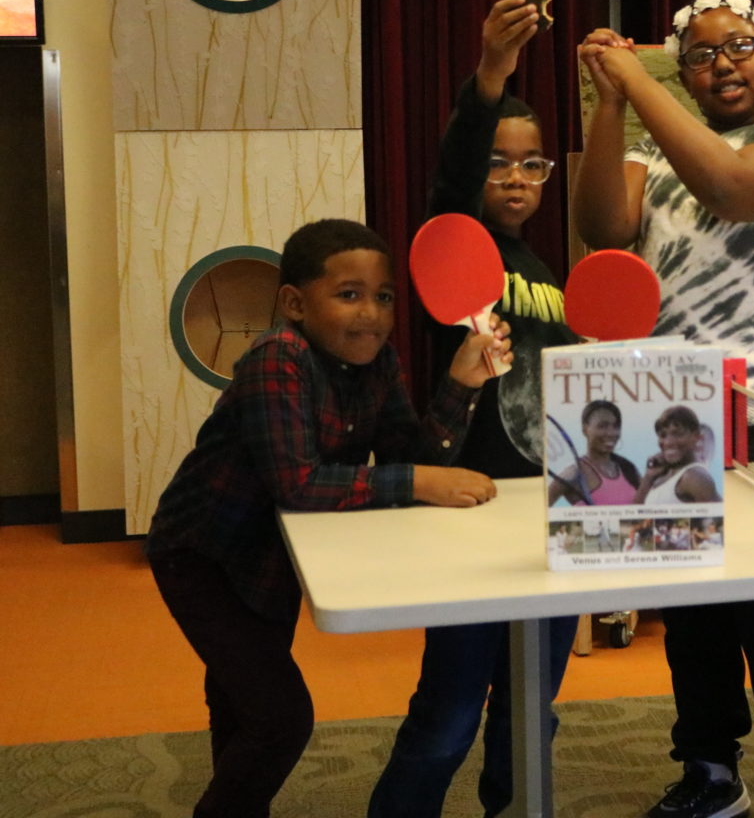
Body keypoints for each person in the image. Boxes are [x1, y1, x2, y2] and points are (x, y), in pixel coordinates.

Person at [575, 0, 754, 818]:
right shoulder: (646, 158)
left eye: (738, 47)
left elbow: (730, 187)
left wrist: (635, 75)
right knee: (696, 621)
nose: (721, 63)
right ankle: (711, 773)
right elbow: (600, 230)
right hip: (674, 417)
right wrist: (612, 101)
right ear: (681, 73)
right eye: (699, 54)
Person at [146, 219, 504, 818]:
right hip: (201, 555)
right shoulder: (276, 358)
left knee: (241, 702)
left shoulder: (378, 362)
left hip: (275, 559)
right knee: (281, 718)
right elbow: (301, 482)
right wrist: (421, 481)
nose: (371, 313)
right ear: (294, 303)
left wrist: (461, 384)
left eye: (383, 296)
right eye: (348, 294)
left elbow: (402, 458)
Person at [369, 0, 578, 818]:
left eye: (533, 164)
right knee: (451, 710)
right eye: (500, 162)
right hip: (470, 508)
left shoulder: (548, 269)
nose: (518, 179)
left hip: (553, 511)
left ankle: (511, 807)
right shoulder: (455, 245)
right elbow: (453, 179)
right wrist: (491, 72)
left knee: (531, 707)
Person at [548, 399, 643, 506]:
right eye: (602, 426)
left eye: (616, 426)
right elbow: (542, 510)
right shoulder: (574, 473)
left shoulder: (629, 469)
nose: (611, 433)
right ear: (585, 429)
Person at [635, 405, 719, 504]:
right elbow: (633, 516)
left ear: (696, 436)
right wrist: (648, 478)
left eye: (677, 434)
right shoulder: (660, 477)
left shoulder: (695, 477)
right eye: (663, 435)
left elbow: (714, 518)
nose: (668, 442)